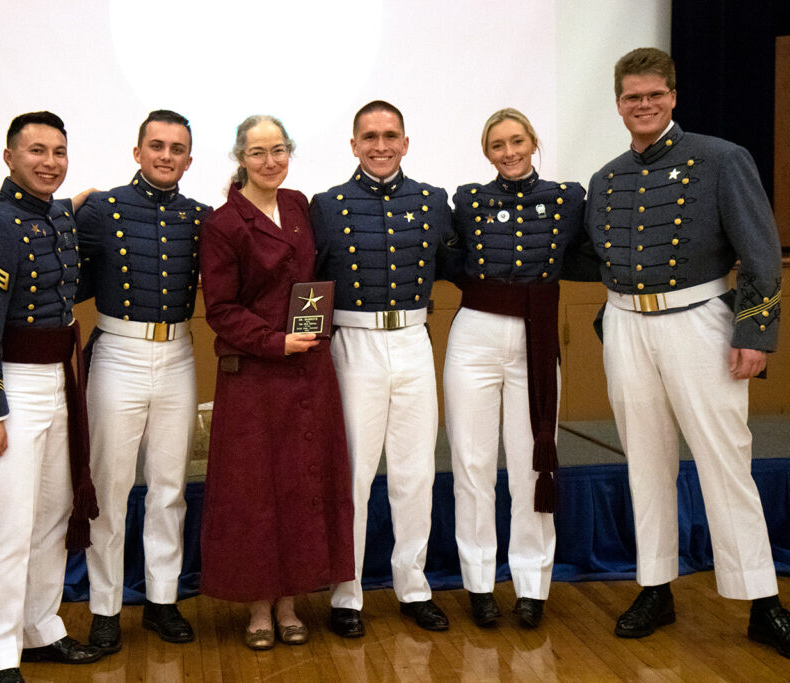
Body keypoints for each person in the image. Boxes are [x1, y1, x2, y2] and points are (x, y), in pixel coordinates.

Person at [585, 47, 788, 657]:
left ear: (673, 96)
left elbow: (760, 252)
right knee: (645, 462)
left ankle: (762, 601)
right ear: (618, 104)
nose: (643, 106)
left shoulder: (722, 159)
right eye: (632, 97)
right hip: (627, 326)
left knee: (726, 459)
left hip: (700, 322)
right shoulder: (607, 177)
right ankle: (655, 587)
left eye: (654, 95)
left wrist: (754, 335)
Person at [0, 111, 104, 682]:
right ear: (8, 157)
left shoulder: (58, 218)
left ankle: (40, 627)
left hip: (58, 383)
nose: (50, 162)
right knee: (10, 526)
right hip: (12, 386)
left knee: (50, 516)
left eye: (59, 152)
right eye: (37, 151)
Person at [198, 115, 355, 650]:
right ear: (240, 157)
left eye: (279, 149)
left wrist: (304, 339)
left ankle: (291, 602)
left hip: (308, 371)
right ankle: (259, 609)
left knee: (300, 486)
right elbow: (220, 309)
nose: (271, 161)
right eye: (259, 152)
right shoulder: (222, 223)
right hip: (255, 375)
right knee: (254, 494)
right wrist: (273, 341)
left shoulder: (298, 205)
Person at [310, 100, 455, 637]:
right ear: (353, 144)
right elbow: (310, 277)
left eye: (390, 135)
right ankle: (345, 593)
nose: (380, 145)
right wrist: (307, 347)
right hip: (353, 345)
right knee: (353, 475)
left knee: (416, 472)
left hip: (415, 339)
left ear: (406, 142)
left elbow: (457, 262)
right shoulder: (327, 205)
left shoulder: (433, 201)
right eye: (369, 136)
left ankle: (413, 586)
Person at [445, 108, 589, 629]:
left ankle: (532, 584)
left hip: (537, 333)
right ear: (487, 153)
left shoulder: (569, 198)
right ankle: (479, 583)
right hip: (476, 334)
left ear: (533, 142)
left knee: (533, 465)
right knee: (473, 464)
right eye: (497, 145)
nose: (509, 152)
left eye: (517, 141)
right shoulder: (468, 200)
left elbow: (585, 254)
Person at [76, 110, 210, 652]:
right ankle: (105, 608)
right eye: (156, 145)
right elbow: (49, 249)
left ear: (189, 159)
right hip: (117, 354)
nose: (166, 156)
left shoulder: (201, 217)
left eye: (177, 149)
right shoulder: (101, 208)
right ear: (137, 152)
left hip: (178, 352)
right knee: (108, 488)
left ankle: (161, 599)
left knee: (169, 488)